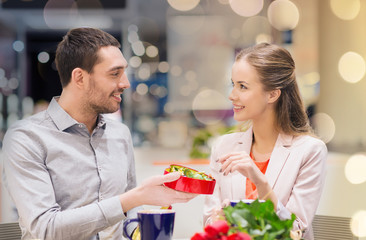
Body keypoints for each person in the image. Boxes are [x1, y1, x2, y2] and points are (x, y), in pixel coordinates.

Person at [2, 27, 196, 240]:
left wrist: (140, 233)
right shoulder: (27, 138)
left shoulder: (120, 133)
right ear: (80, 78)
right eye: (115, 73)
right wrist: (134, 198)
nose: (125, 83)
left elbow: (127, 211)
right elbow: (46, 229)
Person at [203, 43, 327, 239]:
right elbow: (209, 221)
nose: (232, 95)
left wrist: (261, 183)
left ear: (272, 94)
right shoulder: (223, 147)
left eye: (242, 86)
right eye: (233, 84)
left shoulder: (310, 151)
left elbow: (295, 230)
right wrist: (219, 218)